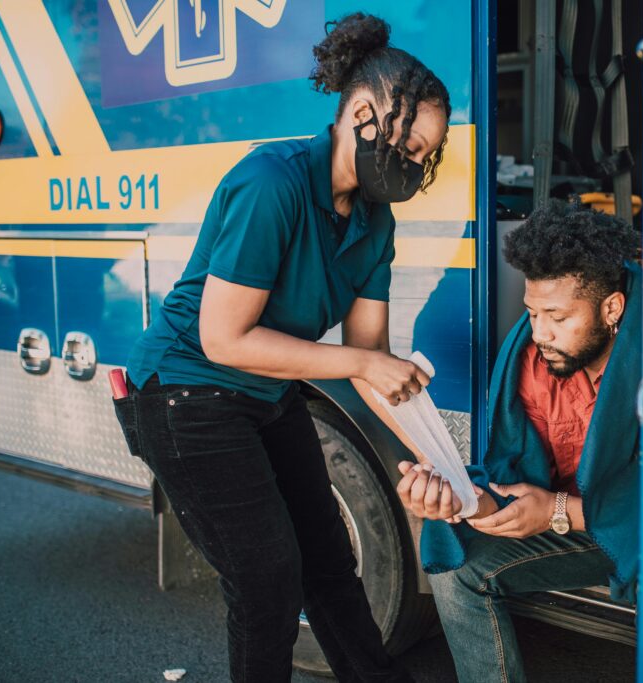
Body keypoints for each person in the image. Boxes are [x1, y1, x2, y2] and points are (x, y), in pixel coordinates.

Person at [120, 13, 449, 683]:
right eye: (409, 146)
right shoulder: (272, 182)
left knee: (329, 561)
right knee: (268, 577)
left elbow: (369, 357)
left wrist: (437, 460)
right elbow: (224, 336)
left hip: (263, 393)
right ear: (361, 113)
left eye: (426, 155)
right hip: (186, 393)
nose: (415, 165)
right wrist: (364, 362)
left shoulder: (374, 221)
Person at [394, 200, 642, 683]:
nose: (540, 333)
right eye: (531, 313)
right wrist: (469, 501)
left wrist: (557, 510)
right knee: (455, 561)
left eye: (557, 316)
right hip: (569, 519)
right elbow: (514, 474)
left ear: (612, 307)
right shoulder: (532, 360)